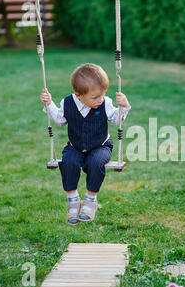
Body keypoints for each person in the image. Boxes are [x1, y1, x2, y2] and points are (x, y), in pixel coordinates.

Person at [40, 63, 131, 226]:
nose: (100, 99)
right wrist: (49, 103)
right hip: (75, 146)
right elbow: (60, 121)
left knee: (95, 163)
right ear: (78, 95)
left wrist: (123, 106)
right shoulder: (68, 103)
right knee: (68, 162)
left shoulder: (106, 103)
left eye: (103, 94)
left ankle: (90, 200)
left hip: (100, 146)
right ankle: (73, 200)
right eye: (95, 97)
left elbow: (117, 120)